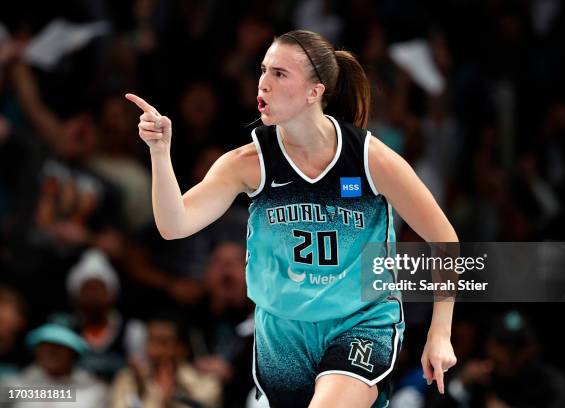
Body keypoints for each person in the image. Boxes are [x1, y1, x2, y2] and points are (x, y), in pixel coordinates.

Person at [126, 29, 457, 408]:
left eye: (280, 74)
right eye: (263, 70)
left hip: (360, 322)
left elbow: (445, 240)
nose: (263, 83)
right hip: (281, 332)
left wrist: (440, 333)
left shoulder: (369, 159)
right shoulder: (248, 162)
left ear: (315, 91)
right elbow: (174, 225)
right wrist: (159, 152)